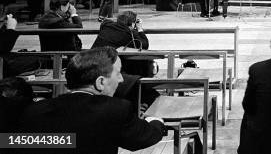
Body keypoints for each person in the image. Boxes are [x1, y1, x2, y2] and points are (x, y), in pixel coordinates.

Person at [18, 47, 165, 154]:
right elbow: (143, 137)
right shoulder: (115, 110)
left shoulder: (34, 111)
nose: (121, 79)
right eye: (119, 73)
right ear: (100, 82)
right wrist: (155, 121)